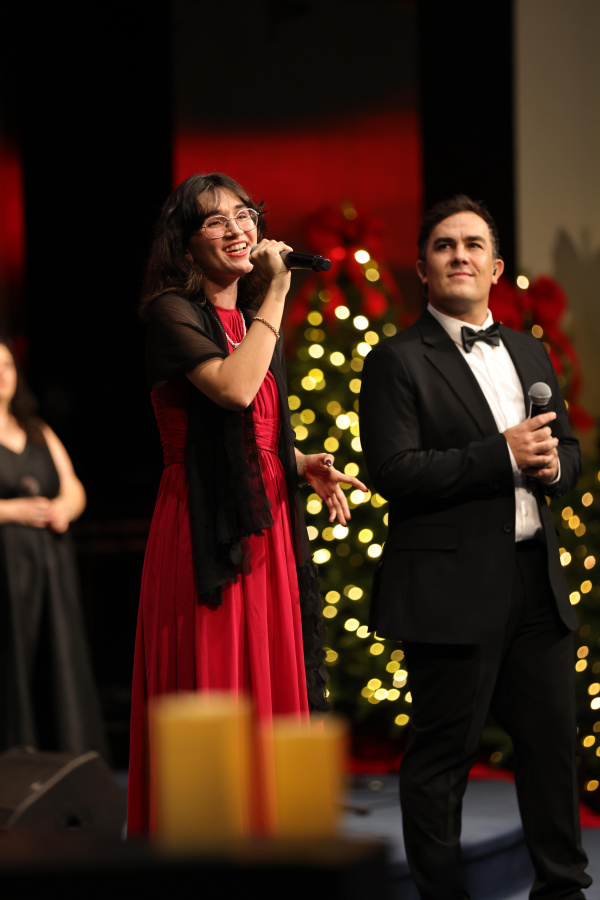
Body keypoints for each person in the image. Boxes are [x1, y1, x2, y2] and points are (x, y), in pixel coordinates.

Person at [359, 195, 592, 899]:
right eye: (444, 245)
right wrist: (501, 453)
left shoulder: (527, 350)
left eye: (473, 245)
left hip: (534, 583)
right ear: (423, 270)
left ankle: (563, 891)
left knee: (552, 751)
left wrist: (555, 468)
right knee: (443, 758)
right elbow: (393, 472)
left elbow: (568, 450)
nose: (459, 254)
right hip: (450, 589)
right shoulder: (396, 360)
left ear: (494, 268)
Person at [127, 172, 367, 836]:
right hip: (204, 520)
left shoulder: (251, 321)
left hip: (268, 516)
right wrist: (279, 290)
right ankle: (209, 844)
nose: (238, 229)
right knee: (216, 681)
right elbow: (233, 391)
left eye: (245, 215)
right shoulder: (172, 312)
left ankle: (270, 839)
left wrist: (298, 462)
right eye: (216, 221)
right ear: (184, 242)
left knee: (269, 677)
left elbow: (250, 431)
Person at [0, 339, 108, 758]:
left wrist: (64, 508)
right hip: (6, 570)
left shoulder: (38, 430)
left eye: (8, 365)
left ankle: (66, 760)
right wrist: (13, 510)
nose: (3, 373)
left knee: (57, 658)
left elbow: (74, 488)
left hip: (49, 566)